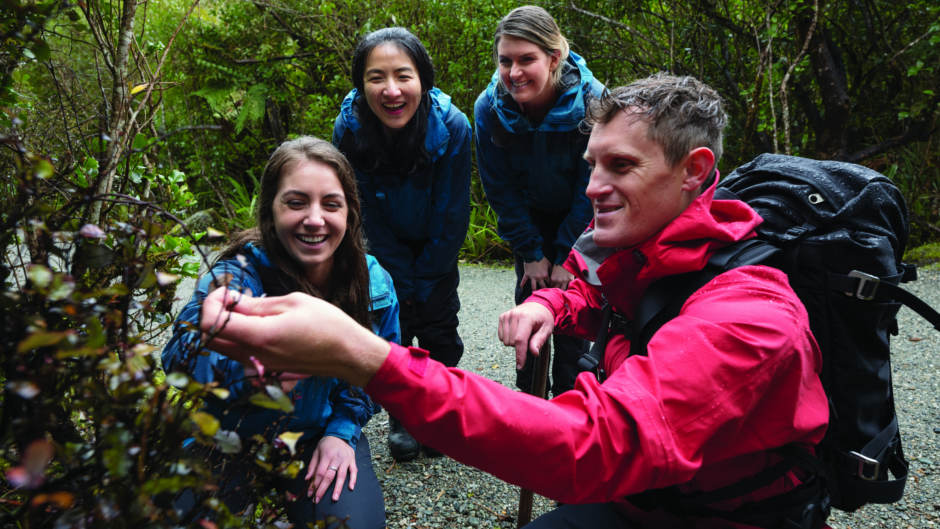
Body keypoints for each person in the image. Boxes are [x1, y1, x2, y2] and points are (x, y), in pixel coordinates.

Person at [199, 74, 831, 528]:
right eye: (591, 164)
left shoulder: (751, 319)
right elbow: (608, 294)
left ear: (694, 171)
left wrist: (367, 359)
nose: (592, 187)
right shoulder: (650, 258)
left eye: (620, 166)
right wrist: (550, 307)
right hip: (644, 497)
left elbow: (590, 446)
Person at [162, 137, 393, 529]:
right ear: (271, 210)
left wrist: (341, 432)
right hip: (228, 434)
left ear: (350, 213)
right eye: (296, 202)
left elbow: (376, 376)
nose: (315, 218)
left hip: (316, 434)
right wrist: (244, 374)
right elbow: (177, 359)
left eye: (331, 204)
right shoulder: (237, 275)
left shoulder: (373, 284)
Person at [332, 27, 471, 462]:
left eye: (403, 75)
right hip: (380, 243)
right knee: (390, 330)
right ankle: (403, 414)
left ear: (423, 80)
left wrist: (426, 275)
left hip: (436, 243)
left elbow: (453, 212)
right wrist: (393, 277)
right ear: (361, 85)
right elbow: (360, 213)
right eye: (376, 78)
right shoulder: (349, 130)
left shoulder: (453, 126)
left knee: (438, 329)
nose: (391, 90)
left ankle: (442, 415)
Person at [474, 5, 605, 397]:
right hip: (528, 222)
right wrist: (531, 251)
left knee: (574, 320)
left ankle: (571, 399)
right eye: (505, 61)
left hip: (583, 221)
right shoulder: (489, 108)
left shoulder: (593, 101)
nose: (514, 73)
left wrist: (568, 254)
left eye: (526, 59)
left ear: (554, 57)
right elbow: (499, 188)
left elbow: (596, 185)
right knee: (529, 306)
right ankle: (528, 402)